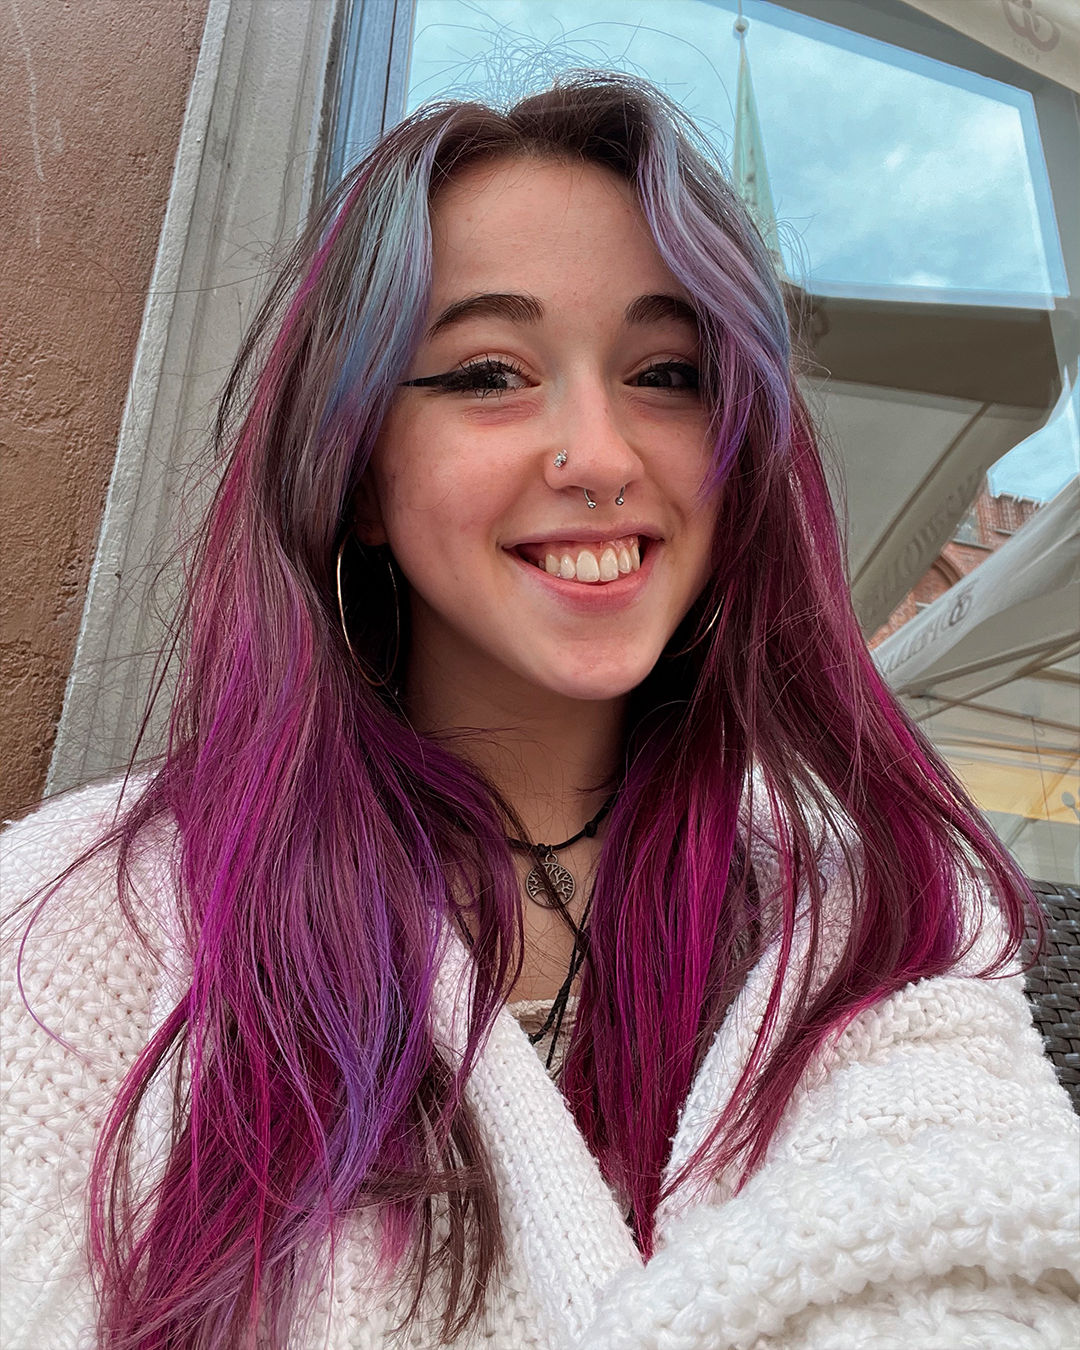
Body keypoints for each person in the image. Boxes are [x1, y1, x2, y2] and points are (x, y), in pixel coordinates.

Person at [2, 74, 1077, 1350]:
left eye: (667, 373)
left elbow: (977, 1261)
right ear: (356, 471)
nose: (601, 455)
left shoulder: (879, 909)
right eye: (490, 374)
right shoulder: (84, 913)